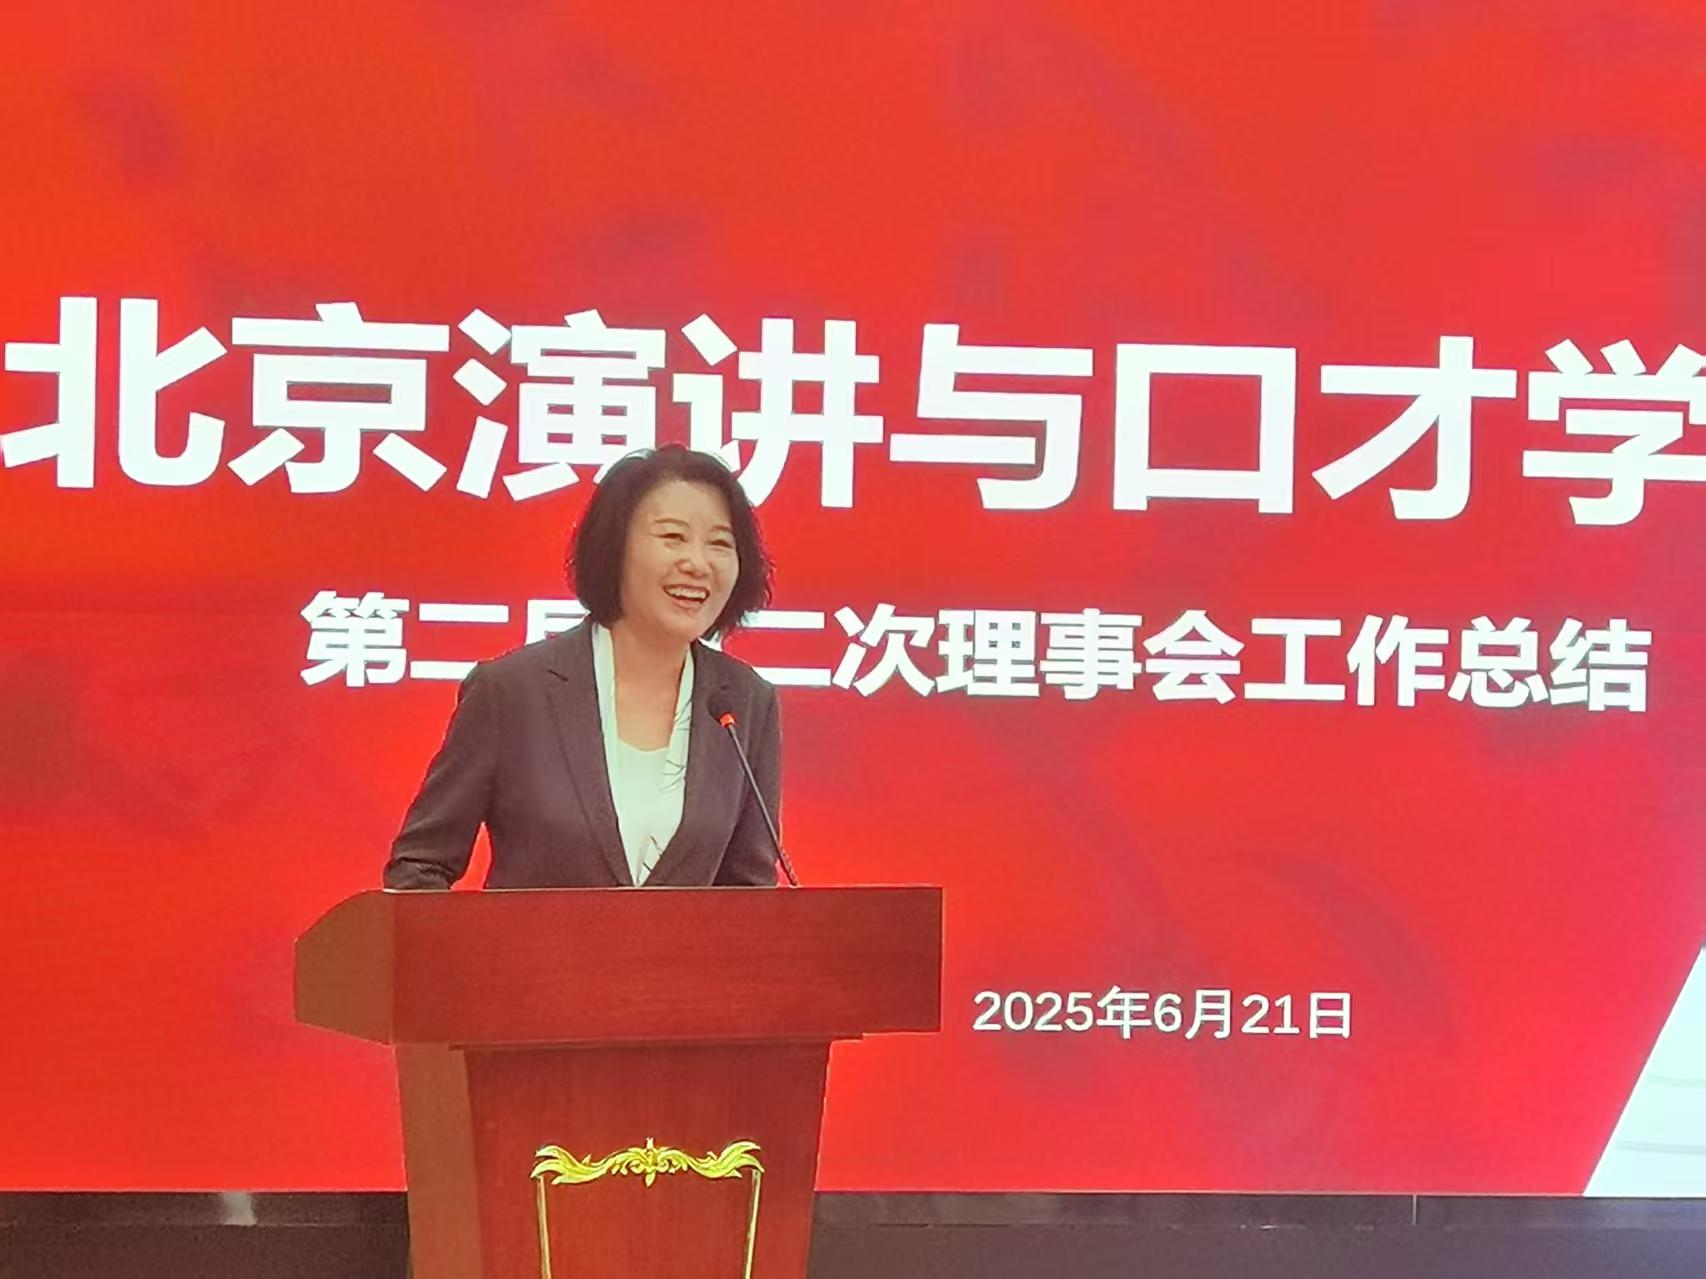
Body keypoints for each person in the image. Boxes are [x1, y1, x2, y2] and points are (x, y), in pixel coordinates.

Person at [383, 446, 781, 890]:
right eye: (672, 537)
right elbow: (419, 868)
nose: (697, 563)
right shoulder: (512, 692)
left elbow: (750, 895)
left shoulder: (745, 702)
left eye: (720, 544)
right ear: (615, 547)